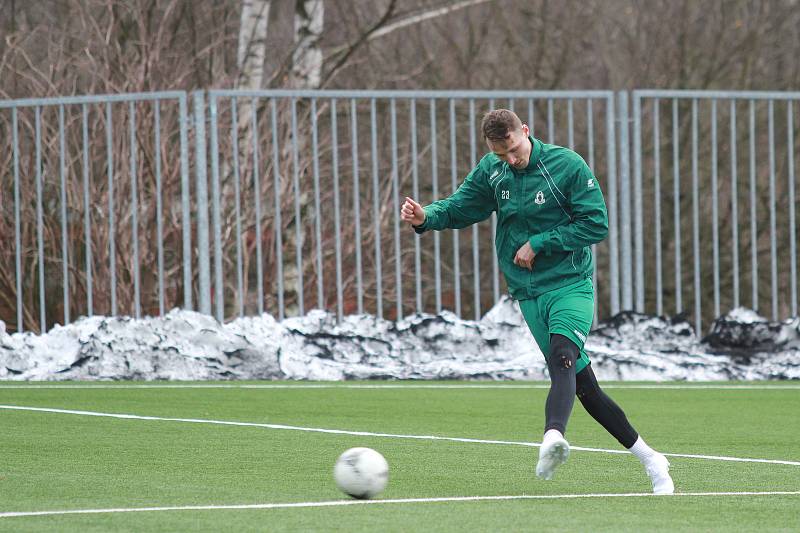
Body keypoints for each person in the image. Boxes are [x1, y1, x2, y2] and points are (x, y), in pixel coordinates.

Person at [400, 109, 674, 494]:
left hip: (570, 285)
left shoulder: (567, 165)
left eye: (513, 149)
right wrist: (426, 215)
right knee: (584, 387)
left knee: (562, 356)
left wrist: (541, 242)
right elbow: (462, 206)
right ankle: (651, 458)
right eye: (500, 154)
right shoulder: (493, 170)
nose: (510, 159)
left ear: (525, 132)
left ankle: (553, 438)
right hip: (528, 293)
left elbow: (596, 223)